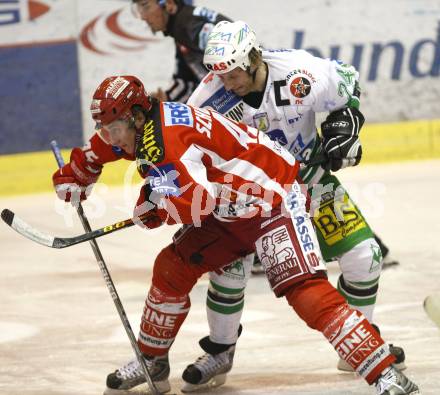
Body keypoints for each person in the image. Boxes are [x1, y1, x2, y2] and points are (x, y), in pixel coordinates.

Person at [52, 75, 419, 395]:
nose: (112, 136)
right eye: (106, 128)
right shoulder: (147, 124)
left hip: (274, 203)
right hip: (229, 211)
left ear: (134, 116)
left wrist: (154, 211)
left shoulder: (164, 142)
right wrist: (78, 173)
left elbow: (196, 202)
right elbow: (105, 147)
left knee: (305, 292)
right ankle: (153, 362)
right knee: (171, 268)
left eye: (115, 127)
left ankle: (383, 371)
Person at [177, 20, 407, 391]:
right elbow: (187, 148)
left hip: (311, 182)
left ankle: (359, 345)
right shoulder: (209, 98)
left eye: (234, 73)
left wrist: (345, 122)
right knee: (227, 274)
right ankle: (220, 350)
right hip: (248, 200)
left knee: (365, 256)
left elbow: (346, 81)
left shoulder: (298, 72)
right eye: (220, 74)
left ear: (253, 58)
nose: (228, 82)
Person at [131, 0, 231, 102]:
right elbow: (189, 78)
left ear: (169, 3)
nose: (143, 17)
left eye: (145, 6)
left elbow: (237, 67)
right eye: (138, 8)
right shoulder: (182, 28)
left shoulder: (190, 26)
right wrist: (167, 97)